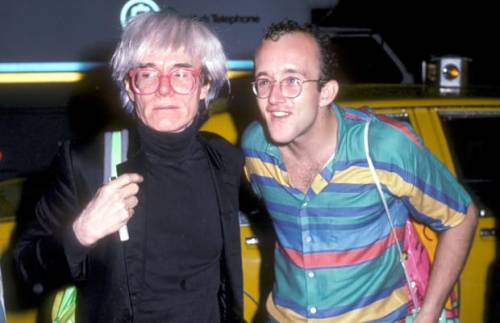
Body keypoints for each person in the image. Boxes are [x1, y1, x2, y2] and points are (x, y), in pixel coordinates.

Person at [14, 10, 243, 323]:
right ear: (131, 88)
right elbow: (24, 271)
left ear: (204, 85)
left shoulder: (224, 158)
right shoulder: (87, 163)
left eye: (181, 73)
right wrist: (80, 233)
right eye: (147, 75)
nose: (164, 89)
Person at [241, 20, 478, 322]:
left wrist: (429, 311)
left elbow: (461, 216)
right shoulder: (255, 147)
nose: (274, 99)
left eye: (292, 81)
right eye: (264, 81)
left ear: (326, 92)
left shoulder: (383, 149)